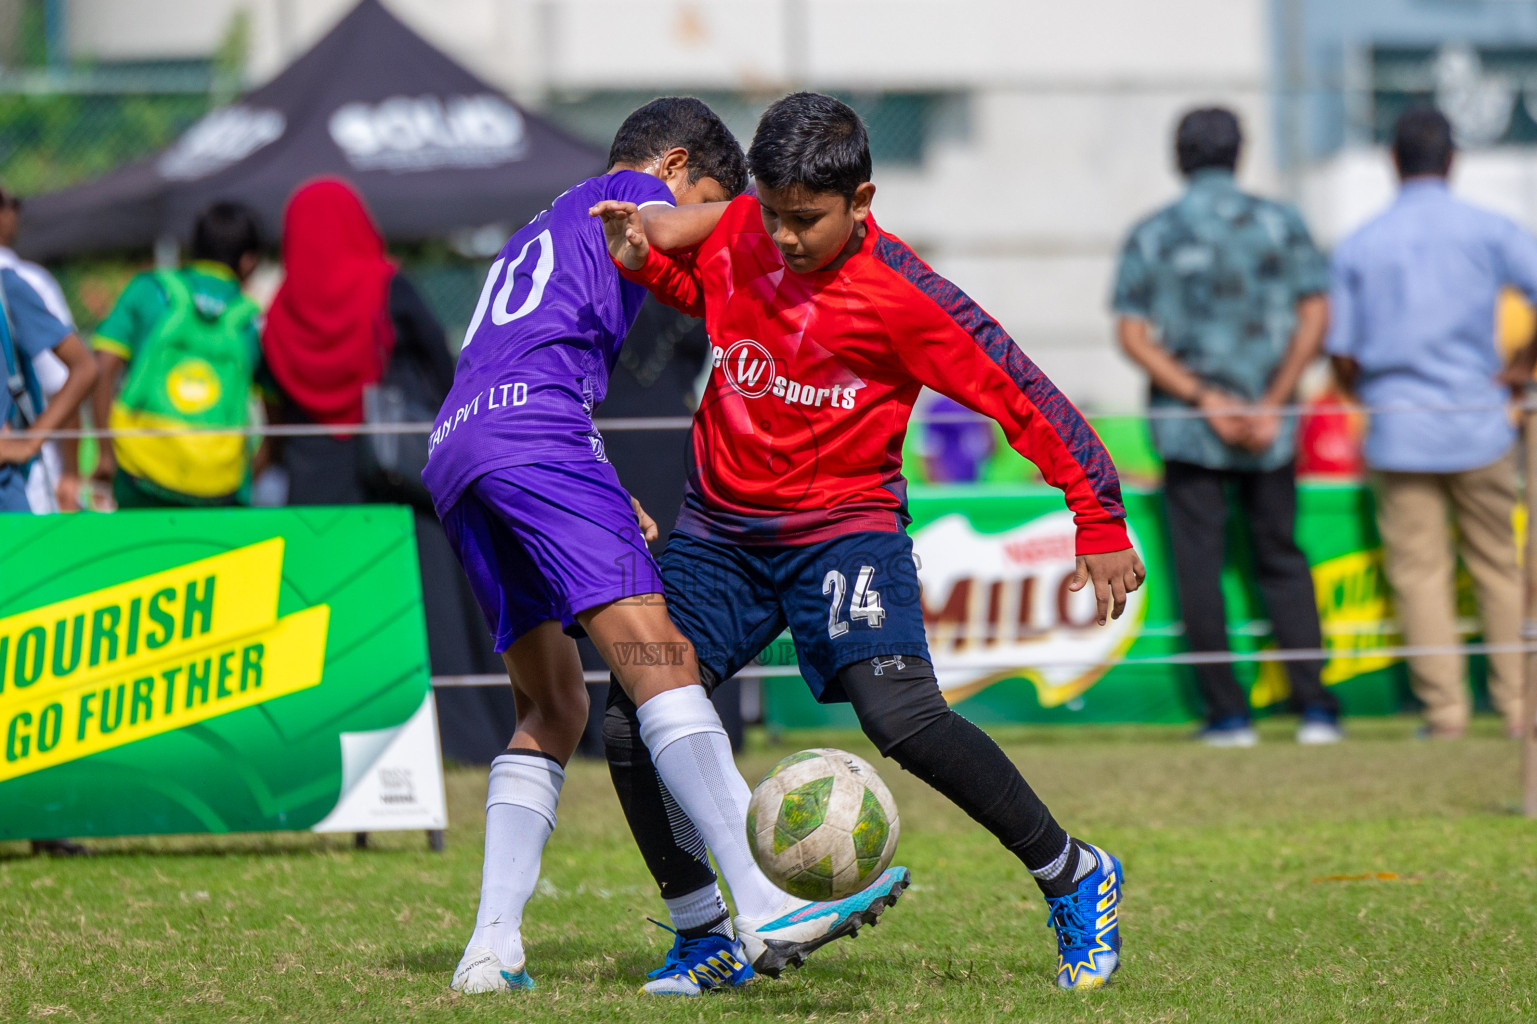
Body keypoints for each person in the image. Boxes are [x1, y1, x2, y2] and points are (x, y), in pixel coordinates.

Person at [594, 91, 1143, 991]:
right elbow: (713, 292)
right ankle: (704, 933)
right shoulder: (744, 229)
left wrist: (1098, 514)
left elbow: (1021, 392)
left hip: (843, 537)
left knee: (901, 719)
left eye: (804, 221)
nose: (782, 238)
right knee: (628, 719)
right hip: (719, 538)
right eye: (770, 215)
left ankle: (1073, 872)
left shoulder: (905, 297)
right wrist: (649, 265)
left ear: (862, 200)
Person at [421, 97, 909, 997]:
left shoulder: (537, 230)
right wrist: (780, 200)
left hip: (459, 445)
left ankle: (490, 951)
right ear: (676, 163)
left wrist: (597, 489)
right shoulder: (620, 193)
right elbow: (658, 222)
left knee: (551, 708)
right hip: (536, 435)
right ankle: (765, 902)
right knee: (660, 658)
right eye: (724, 197)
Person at [1112, 107, 1342, 748]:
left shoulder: (1154, 231)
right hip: (1273, 424)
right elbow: (1316, 313)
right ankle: (1316, 709)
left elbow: (1132, 333)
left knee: (1199, 568)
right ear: (1239, 152)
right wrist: (1273, 398)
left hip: (1190, 427)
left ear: (1179, 156)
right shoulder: (1281, 221)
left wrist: (1203, 399)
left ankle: (1227, 717)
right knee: (1282, 560)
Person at [259, 177, 512, 762]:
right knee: (430, 605)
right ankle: (461, 736)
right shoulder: (386, 286)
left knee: (330, 615)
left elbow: (271, 390)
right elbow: (449, 366)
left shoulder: (281, 312)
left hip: (315, 490)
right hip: (395, 478)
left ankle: (322, 738)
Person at [1328, 106, 1537, 741]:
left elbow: (1340, 347)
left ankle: (1444, 715)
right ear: (1454, 160)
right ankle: (1518, 709)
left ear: (1393, 161)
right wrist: (1520, 367)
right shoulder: (1490, 227)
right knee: (1500, 567)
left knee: (1420, 575)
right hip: (1478, 419)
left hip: (1398, 424)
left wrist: (1359, 390)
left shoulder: (1361, 239)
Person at [91, 202, 263, 508]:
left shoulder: (149, 289)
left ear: (193, 246)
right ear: (249, 262)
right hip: (219, 483)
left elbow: (101, 369)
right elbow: (275, 413)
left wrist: (105, 454)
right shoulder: (252, 321)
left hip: (139, 469)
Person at [0, 183, 83, 513]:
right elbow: (62, 379)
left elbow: (70, 374)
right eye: (10, 202)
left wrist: (32, 444)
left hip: (21, 478)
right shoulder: (29, 280)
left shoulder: (15, 284)